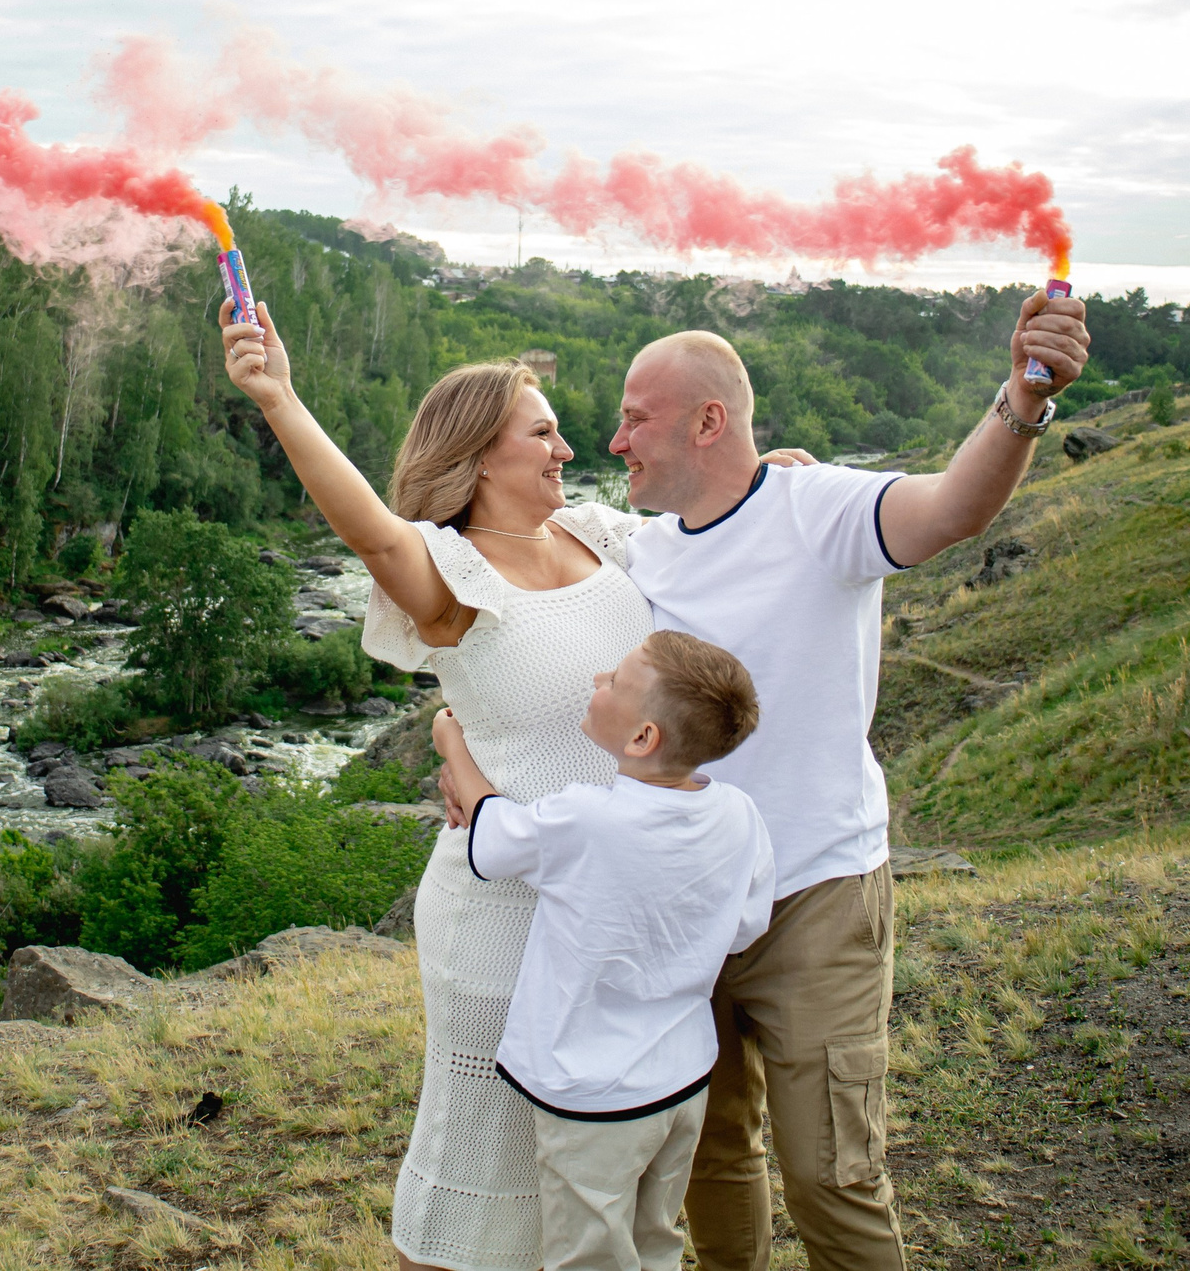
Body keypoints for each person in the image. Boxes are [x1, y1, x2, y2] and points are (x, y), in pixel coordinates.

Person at [217, 298, 810, 1271]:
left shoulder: (601, 536)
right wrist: (277, 395)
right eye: (541, 431)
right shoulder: (448, 570)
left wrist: (775, 474)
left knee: (596, 1178)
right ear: (478, 452)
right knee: (483, 1161)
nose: (568, 447)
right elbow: (369, 530)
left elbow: (714, 515)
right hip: (503, 908)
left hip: (617, 911)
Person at [606, 295, 1089, 1271]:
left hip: (815, 891)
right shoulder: (634, 550)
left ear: (708, 421)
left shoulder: (818, 506)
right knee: (706, 1148)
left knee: (832, 1167)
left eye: (633, 416)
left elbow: (952, 506)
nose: (613, 439)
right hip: (685, 900)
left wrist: (1025, 395)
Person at [431, 630, 776, 1271]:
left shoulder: (588, 818)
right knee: (655, 1240)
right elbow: (745, 927)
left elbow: (494, 838)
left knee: (588, 1255)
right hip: (683, 1077)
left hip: (592, 1094)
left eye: (614, 681)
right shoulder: (739, 813)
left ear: (643, 737)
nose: (596, 681)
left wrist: (453, 743)